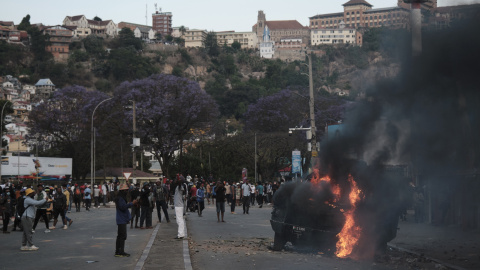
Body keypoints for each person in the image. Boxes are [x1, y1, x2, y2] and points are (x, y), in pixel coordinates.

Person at [115, 184, 138, 257]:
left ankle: (118, 251)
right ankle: (121, 252)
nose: (127, 192)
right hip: (121, 219)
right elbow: (123, 207)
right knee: (122, 236)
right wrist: (131, 203)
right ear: (122, 191)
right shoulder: (120, 198)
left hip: (122, 219)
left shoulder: (120, 198)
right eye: (126, 190)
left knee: (120, 236)